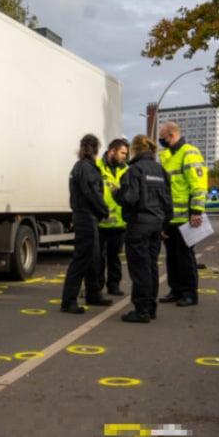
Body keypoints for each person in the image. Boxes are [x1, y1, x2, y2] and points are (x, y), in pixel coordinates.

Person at [113, 135, 172, 323]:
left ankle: (141, 310)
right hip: (156, 224)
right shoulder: (161, 171)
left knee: (139, 268)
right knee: (151, 266)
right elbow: (168, 201)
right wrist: (165, 224)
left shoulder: (134, 170)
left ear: (135, 150)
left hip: (139, 224)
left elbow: (128, 198)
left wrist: (116, 193)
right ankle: (151, 307)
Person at [157, 121, 207, 307]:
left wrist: (196, 211)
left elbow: (198, 185)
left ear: (171, 135)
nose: (161, 140)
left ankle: (189, 293)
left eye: (162, 137)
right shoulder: (167, 156)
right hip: (169, 217)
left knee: (185, 257)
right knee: (171, 257)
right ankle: (175, 290)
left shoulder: (189, 153)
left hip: (186, 217)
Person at [60, 134, 112, 314]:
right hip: (86, 217)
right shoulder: (87, 168)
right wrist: (104, 209)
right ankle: (69, 301)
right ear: (96, 150)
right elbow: (92, 193)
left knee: (92, 259)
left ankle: (93, 293)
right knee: (82, 260)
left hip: (83, 216)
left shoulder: (80, 167)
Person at [94, 138, 129, 296]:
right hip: (101, 222)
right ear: (112, 151)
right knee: (98, 258)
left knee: (114, 257)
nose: (124, 156)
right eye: (122, 153)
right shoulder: (97, 168)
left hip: (119, 223)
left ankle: (114, 286)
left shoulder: (127, 170)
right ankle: (98, 285)